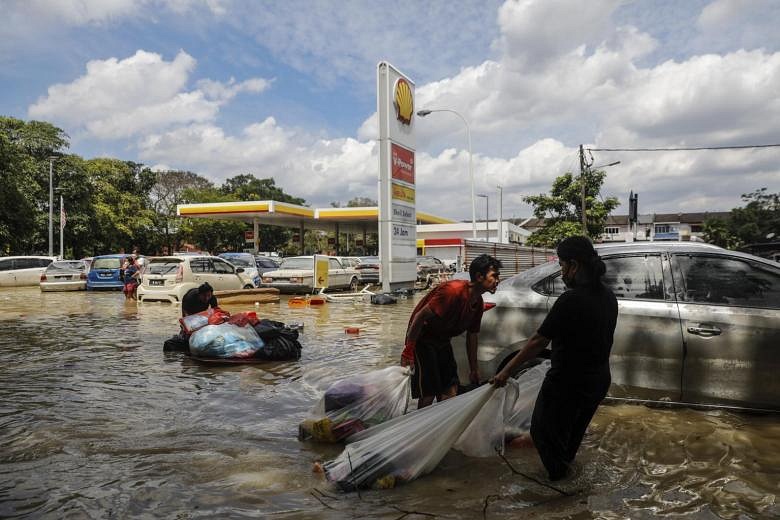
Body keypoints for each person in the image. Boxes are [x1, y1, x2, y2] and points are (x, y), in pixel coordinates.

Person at [491, 236, 618, 481]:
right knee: (571, 435)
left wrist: (506, 371)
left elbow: (539, 341)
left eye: (562, 266)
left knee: (542, 433)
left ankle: (560, 484)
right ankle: (569, 480)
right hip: (598, 381)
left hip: (567, 382)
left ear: (575, 265)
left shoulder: (571, 300)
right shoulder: (608, 297)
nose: (561, 273)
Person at [401, 254, 502, 409]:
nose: (497, 280)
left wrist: (474, 368)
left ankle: (444, 427)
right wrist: (409, 349)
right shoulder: (453, 291)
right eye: (494, 276)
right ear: (479, 276)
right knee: (428, 393)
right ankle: (421, 428)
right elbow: (420, 317)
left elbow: (472, 336)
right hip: (423, 340)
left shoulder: (478, 303)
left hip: (443, 340)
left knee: (450, 389)